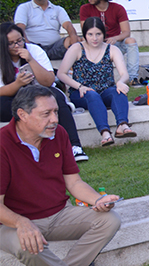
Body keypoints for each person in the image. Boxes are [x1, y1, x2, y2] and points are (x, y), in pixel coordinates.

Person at [0, 85, 121, 266]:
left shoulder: (59, 134)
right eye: (46, 114)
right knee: (22, 244)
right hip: (12, 223)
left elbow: (73, 181)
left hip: (58, 214)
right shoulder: (2, 144)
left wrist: (98, 200)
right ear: (22, 115)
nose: (55, 119)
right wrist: (21, 222)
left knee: (109, 220)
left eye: (56, 111)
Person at [1, 23, 87, 162]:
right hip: (14, 95)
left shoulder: (34, 50)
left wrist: (30, 59)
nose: (17, 46)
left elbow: (48, 80)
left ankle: (75, 147)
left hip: (40, 90)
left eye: (19, 40)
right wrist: (18, 84)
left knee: (56, 98)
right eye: (11, 43)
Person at [56, 18, 135, 147]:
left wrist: (121, 82)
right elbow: (61, 73)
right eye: (90, 34)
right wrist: (79, 86)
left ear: (103, 34)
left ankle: (123, 125)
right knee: (92, 95)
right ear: (85, 34)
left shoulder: (112, 49)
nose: (95, 38)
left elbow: (124, 74)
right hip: (81, 92)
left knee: (118, 91)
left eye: (98, 34)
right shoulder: (77, 48)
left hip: (105, 90)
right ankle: (105, 133)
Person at [79, 0, 141, 86]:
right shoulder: (85, 9)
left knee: (131, 41)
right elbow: (86, 31)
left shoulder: (118, 8)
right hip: (94, 44)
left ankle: (132, 78)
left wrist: (115, 38)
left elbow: (126, 32)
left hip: (114, 44)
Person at [14, 0, 80, 60]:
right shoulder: (24, 7)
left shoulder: (58, 9)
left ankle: (75, 66)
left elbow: (69, 26)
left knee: (77, 39)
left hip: (55, 47)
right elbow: (20, 28)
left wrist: (74, 43)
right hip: (34, 47)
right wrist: (28, 46)